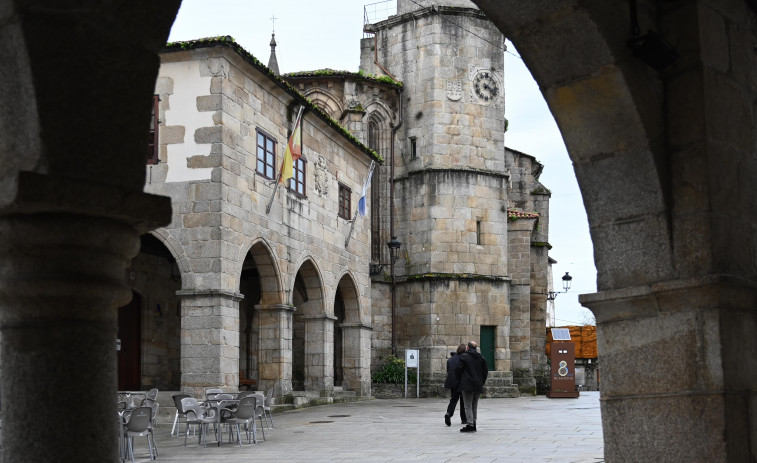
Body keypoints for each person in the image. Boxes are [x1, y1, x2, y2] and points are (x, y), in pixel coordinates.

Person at [455, 340, 488, 432]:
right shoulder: (481, 358)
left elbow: (458, 369)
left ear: (468, 348)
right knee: (474, 405)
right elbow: (485, 372)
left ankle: (470, 424)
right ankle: (474, 423)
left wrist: (459, 380)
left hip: (467, 384)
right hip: (478, 384)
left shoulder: (464, 357)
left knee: (468, 405)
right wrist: (482, 382)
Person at [443, 343, 467, 426]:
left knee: (453, 399)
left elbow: (448, 371)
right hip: (462, 382)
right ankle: (464, 419)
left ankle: (449, 413)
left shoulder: (450, 360)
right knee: (463, 402)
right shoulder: (464, 359)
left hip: (452, 383)